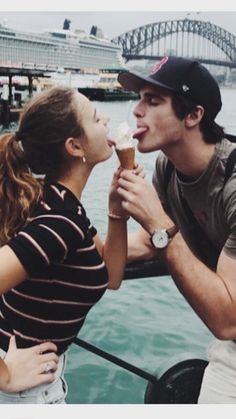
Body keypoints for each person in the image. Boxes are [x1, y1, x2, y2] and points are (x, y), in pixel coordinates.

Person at [0, 85, 137, 403]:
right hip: (21, 392)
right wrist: (5, 374)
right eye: (94, 117)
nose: (105, 119)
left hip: (42, 383)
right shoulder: (60, 223)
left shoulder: (59, 204)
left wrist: (116, 210)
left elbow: (112, 275)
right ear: (75, 146)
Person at [117, 56, 236, 403]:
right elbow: (152, 242)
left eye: (152, 101)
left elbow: (227, 320)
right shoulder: (167, 168)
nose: (136, 111)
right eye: (138, 98)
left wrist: (157, 223)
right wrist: (73, 245)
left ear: (194, 115)